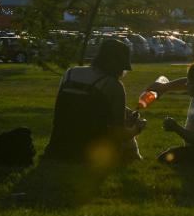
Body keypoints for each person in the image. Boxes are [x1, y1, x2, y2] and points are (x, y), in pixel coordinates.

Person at [44, 38, 144, 167]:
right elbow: (118, 132)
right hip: (89, 153)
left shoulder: (70, 73)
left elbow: (76, 104)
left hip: (58, 148)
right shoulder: (113, 85)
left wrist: (124, 110)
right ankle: (133, 158)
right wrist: (137, 129)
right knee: (128, 130)